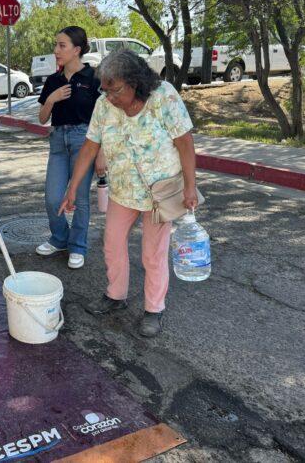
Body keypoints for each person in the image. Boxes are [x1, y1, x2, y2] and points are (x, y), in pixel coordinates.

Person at [58, 49, 199, 337]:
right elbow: (90, 146)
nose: (110, 97)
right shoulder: (104, 104)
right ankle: (115, 296)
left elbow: (184, 141)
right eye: (105, 89)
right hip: (122, 190)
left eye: (116, 90)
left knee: (153, 254)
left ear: (135, 82)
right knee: (111, 243)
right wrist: (72, 186)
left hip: (159, 193)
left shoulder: (163, 97)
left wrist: (190, 185)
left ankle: (153, 309)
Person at [36, 26, 104, 269]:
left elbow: (103, 118)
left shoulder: (94, 78)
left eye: (61, 46)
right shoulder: (53, 80)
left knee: (81, 199)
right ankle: (60, 238)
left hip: (84, 140)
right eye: (56, 45)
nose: (56, 51)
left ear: (77, 50)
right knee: (53, 197)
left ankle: (77, 246)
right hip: (57, 139)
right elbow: (42, 118)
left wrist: (101, 153)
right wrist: (52, 99)